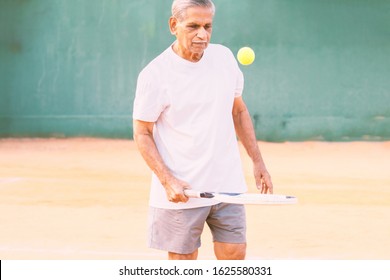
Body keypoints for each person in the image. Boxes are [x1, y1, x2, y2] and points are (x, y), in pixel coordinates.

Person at [133, 0, 273, 260]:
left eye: (208, 26)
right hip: (182, 192)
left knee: (234, 255)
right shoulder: (155, 74)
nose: (203, 34)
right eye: (193, 26)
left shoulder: (224, 58)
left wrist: (258, 161)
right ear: (174, 25)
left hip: (227, 184)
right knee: (184, 264)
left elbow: (238, 111)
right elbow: (142, 132)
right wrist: (167, 180)